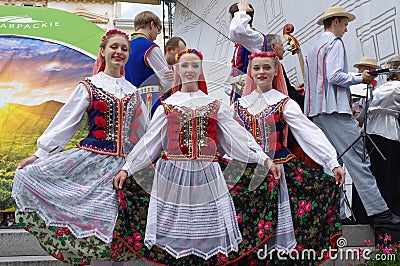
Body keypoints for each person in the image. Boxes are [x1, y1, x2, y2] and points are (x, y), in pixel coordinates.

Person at [112, 48, 283, 263]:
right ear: (176, 70)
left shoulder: (214, 104)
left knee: (206, 235)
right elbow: (150, 143)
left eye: (194, 65)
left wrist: (264, 159)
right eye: (185, 65)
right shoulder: (167, 106)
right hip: (172, 176)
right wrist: (128, 168)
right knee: (177, 236)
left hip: (208, 175)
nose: (190, 70)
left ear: (201, 70)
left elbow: (239, 136)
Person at [11, 29, 149, 265]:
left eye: (124, 49)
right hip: (92, 164)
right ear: (103, 51)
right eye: (114, 47)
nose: (119, 52)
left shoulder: (133, 92)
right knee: (95, 224)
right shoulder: (89, 86)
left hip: (121, 170)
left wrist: (143, 161)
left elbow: (145, 133)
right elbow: (66, 122)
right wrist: (41, 153)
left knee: (116, 226)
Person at [232, 51, 345, 264]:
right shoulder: (240, 105)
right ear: (250, 72)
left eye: (267, 67)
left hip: (280, 171)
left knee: (278, 228)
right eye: (256, 68)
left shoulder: (284, 102)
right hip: (248, 171)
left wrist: (332, 162)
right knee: (248, 228)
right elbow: (233, 139)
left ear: (276, 71)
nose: (261, 72)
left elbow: (309, 132)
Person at [304, 5, 400, 229]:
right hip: (334, 110)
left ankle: (335, 213)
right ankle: (379, 212)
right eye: (345, 24)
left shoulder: (313, 47)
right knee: (360, 160)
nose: (346, 29)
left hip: (315, 111)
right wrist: (361, 78)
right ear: (336, 21)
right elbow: (335, 76)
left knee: (331, 164)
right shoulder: (334, 43)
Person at [352, 56, 400, 227]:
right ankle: (389, 210)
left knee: (370, 172)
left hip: (370, 134)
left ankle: (363, 213)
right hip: (388, 132)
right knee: (389, 173)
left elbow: (362, 117)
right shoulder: (398, 87)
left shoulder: (376, 89)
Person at [124, 11, 174, 117]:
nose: (156, 35)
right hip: (149, 102)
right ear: (152, 25)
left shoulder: (124, 47)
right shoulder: (150, 47)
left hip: (128, 103)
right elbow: (167, 81)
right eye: (158, 30)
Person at [227, 1, 265, 105]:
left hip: (253, 93)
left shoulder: (255, 38)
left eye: (231, 19)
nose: (230, 23)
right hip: (241, 92)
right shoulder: (243, 41)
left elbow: (236, 31)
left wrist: (241, 11)